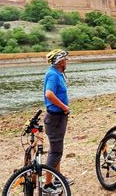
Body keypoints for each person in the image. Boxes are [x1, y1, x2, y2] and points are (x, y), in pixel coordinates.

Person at [42, 49, 73, 193]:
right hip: (55, 118)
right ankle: (47, 185)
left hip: (58, 117)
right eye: (65, 59)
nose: (67, 62)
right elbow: (49, 94)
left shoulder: (57, 73)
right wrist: (64, 106)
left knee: (57, 151)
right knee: (55, 152)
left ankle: (57, 178)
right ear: (60, 61)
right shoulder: (53, 74)